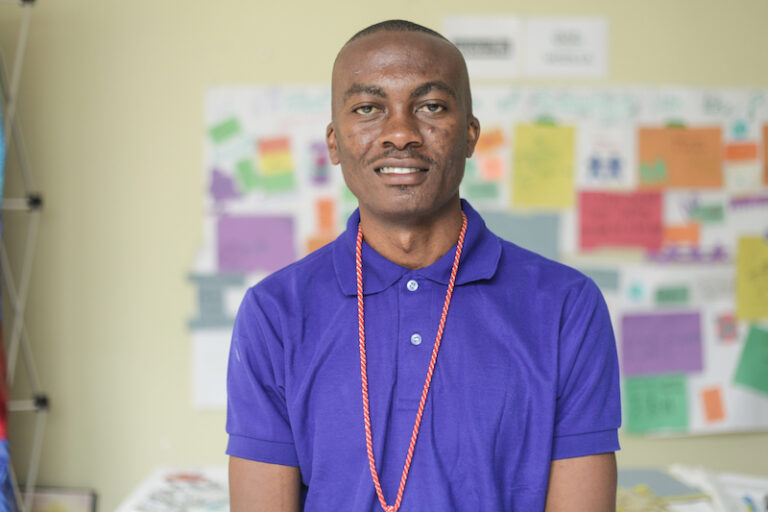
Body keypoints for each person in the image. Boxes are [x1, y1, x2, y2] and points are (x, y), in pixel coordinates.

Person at [227, 19, 621, 512]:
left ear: (471, 134)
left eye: (431, 107)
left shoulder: (567, 306)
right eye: (368, 108)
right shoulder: (273, 312)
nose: (400, 133)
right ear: (334, 142)